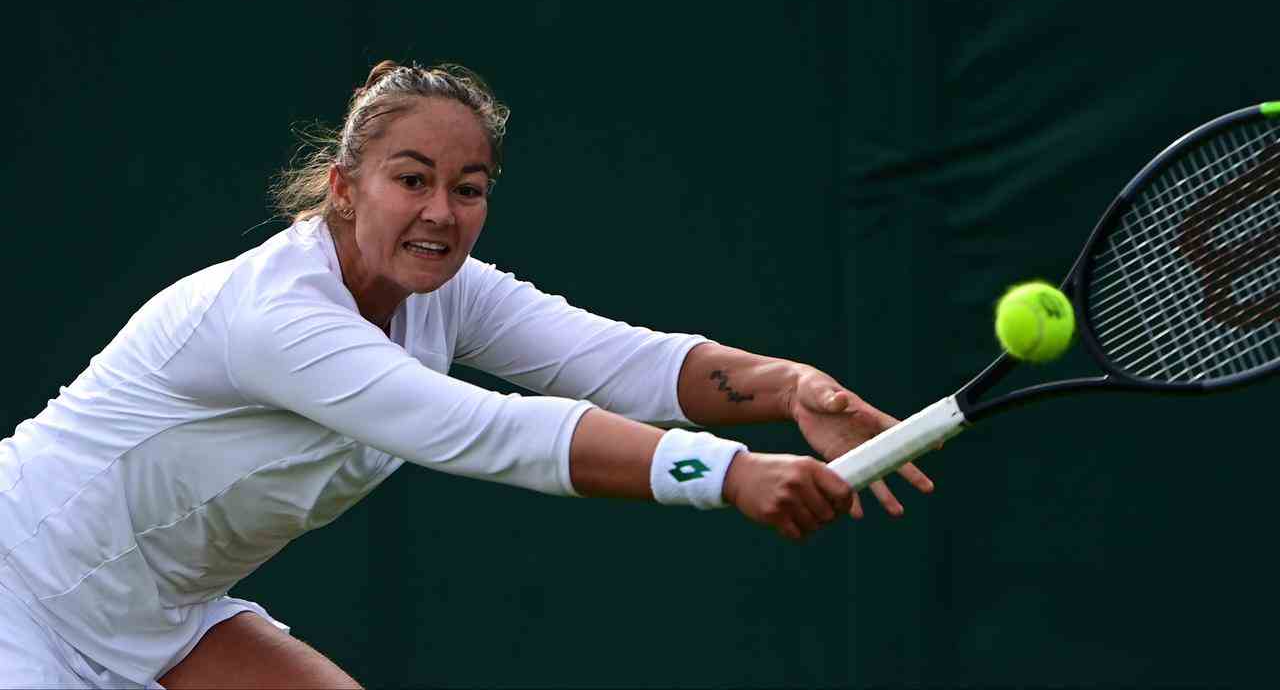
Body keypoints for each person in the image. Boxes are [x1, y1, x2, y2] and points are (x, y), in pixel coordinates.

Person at [0, 60, 934, 689]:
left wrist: (788, 388)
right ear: (342, 185)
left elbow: (613, 358)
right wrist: (727, 473)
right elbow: (493, 431)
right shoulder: (276, 318)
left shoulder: (447, 292)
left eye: (469, 188)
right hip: (19, 589)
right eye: (410, 180)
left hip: (159, 610)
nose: (440, 213)